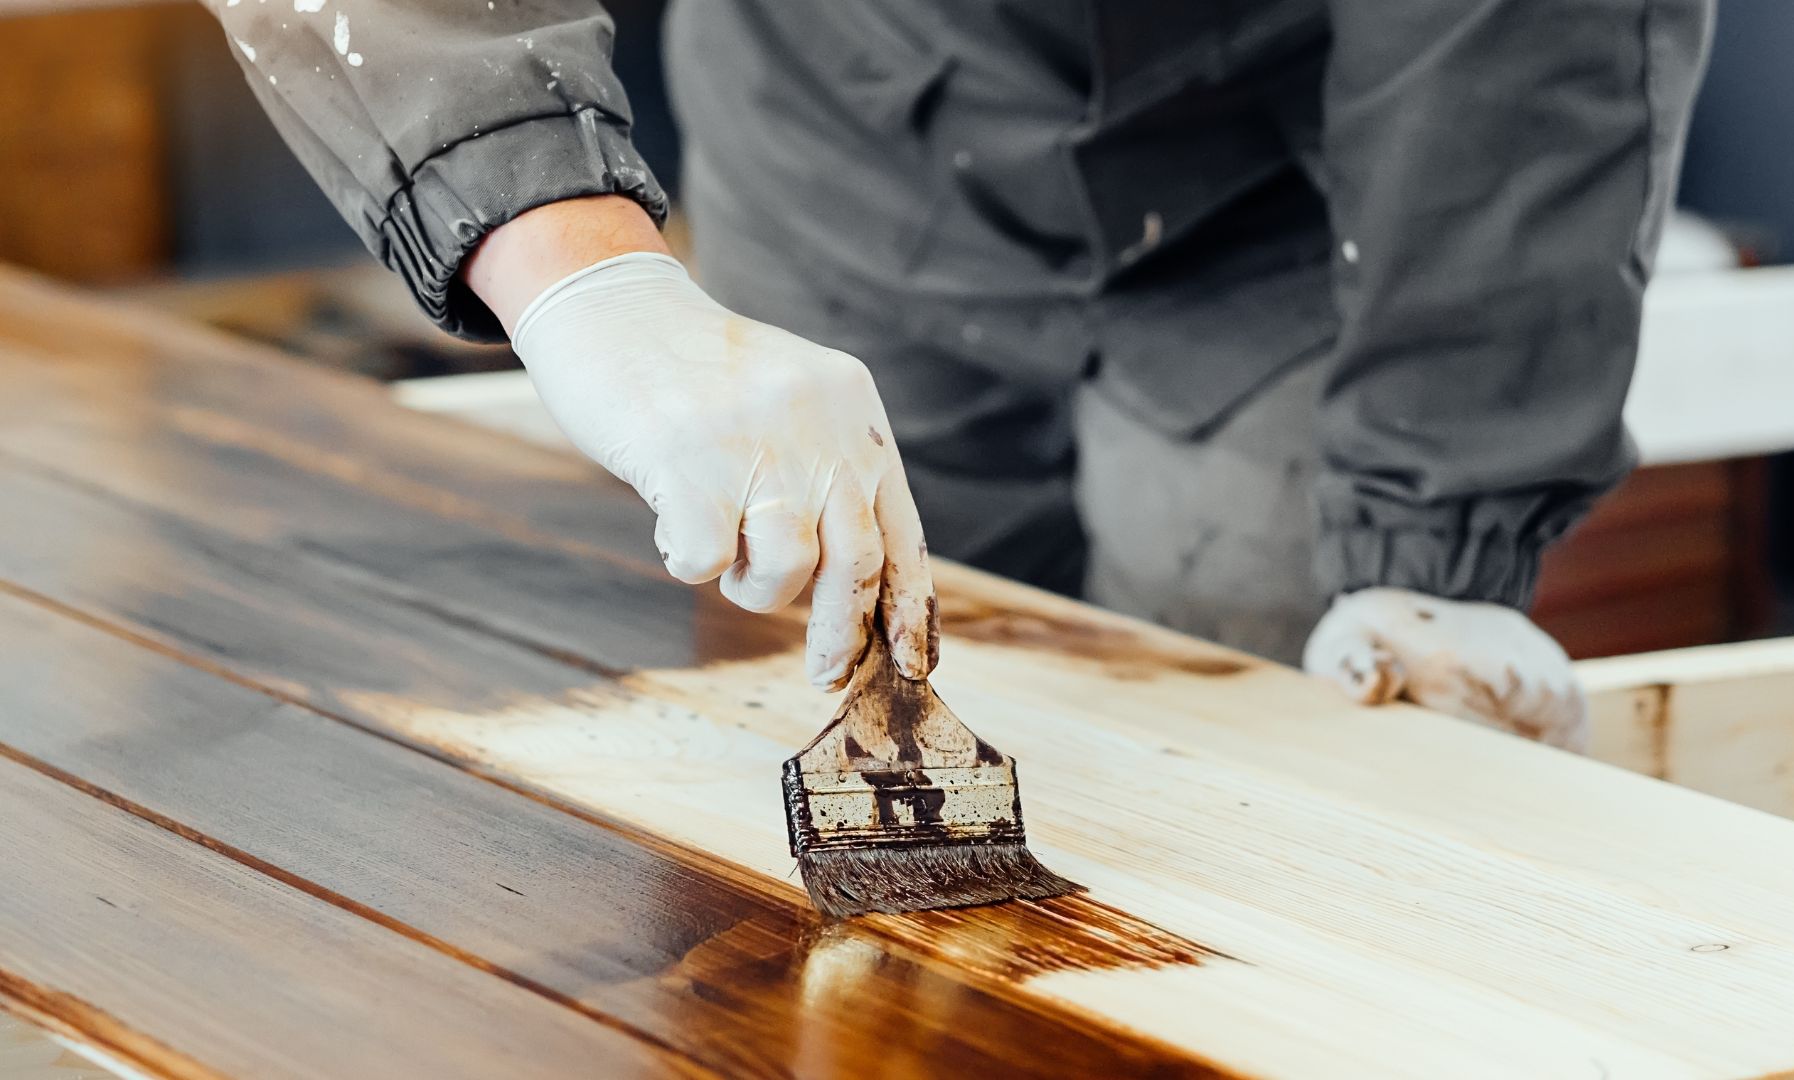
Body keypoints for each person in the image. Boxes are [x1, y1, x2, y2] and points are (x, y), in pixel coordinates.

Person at [209, 0, 1711, 751]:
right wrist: (581, 270)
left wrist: (1441, 518)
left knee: (1290, 772)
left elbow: (1524, 32)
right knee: (837, 730)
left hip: (1299, 169)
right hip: (848, 115)